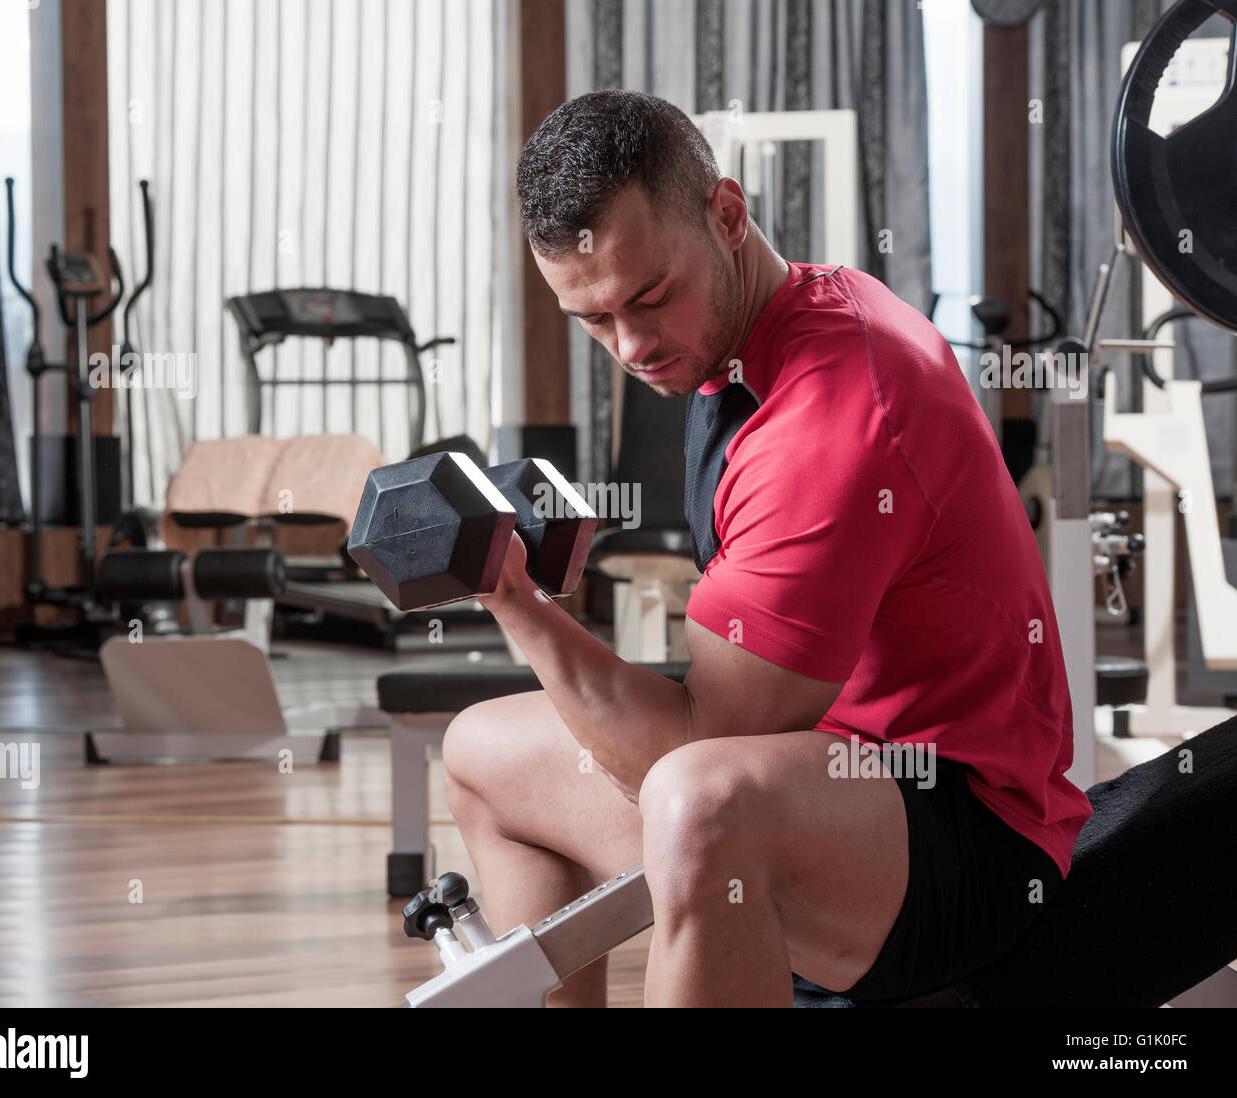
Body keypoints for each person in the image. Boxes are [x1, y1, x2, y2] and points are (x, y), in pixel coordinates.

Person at [442, 89, 1093, 1007]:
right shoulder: (745, 330)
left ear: (728, 215)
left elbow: (703, 741)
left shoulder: (832, 412)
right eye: (591, 320)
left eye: (649, 296)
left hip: (963, 831)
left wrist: (516, 601)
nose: (629, 345)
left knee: (703, 807)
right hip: (815, 763)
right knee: (481, 749)